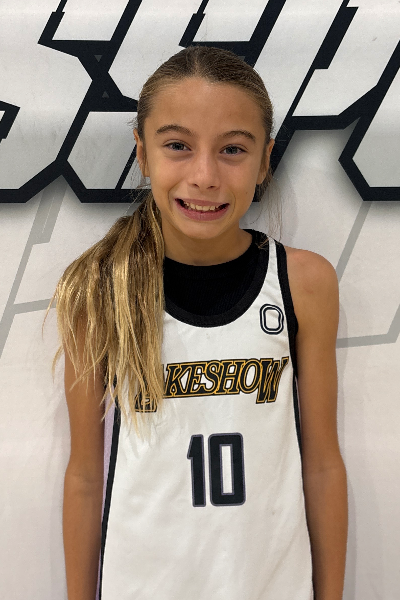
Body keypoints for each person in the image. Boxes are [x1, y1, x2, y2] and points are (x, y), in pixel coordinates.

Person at [53, 46, 347, 600]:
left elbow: (323, 466)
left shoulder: (303, 283)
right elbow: (86, 478)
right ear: (142, 153)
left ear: (265, 160)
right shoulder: (99, 289)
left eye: (232, 149)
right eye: (178, 146)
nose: (205, 175)